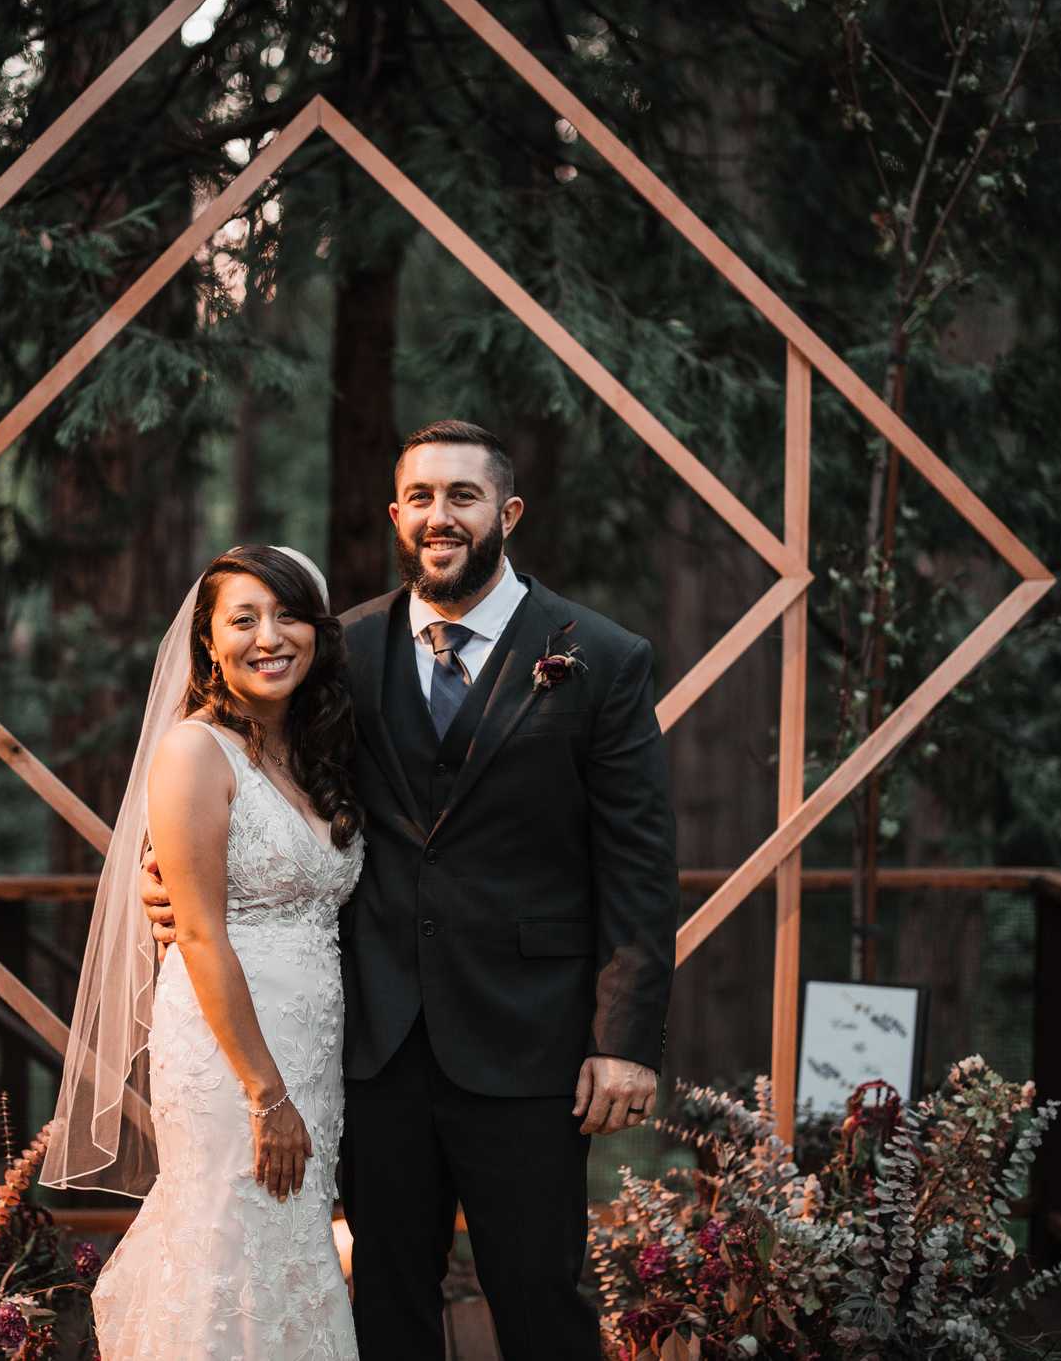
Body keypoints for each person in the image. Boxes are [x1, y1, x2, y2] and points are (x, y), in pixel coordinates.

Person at [147, 420, 679, 1360]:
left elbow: (637, 860)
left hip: (529, 1044)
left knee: (540, 1293)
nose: (441, 515)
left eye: (463, 496)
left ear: (506, 512)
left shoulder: (600, 656)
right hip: (373, 1043)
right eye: (422, 498)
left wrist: (624, 1043)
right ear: (397, 515)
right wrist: (175, 886)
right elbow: (263, 775)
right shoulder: (341, 648)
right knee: (386, 1296)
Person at [44, 544, 366, 1361]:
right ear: (208, 643)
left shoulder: (313, 749)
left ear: (318, 632)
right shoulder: (195, 751)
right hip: (236, 1057)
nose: (270, 636)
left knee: (285, 1243)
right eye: (244, 619)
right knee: (230, 1234)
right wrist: (265, 1092)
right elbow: (198, 931)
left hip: (310, 1047)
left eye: (288, 614)